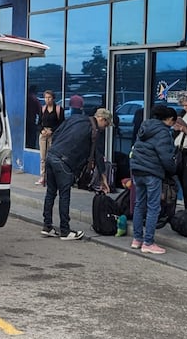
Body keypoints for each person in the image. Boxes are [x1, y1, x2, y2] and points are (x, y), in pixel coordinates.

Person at [41, 107, 113, 240]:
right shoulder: (95, 131)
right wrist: (104, 179)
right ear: (102, 119)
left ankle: (47, 226)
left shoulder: (75, 118)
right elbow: (98, 156)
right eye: (107, 124)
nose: (106, 127)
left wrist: (54, 151)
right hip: (65, 162)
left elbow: (56, 134)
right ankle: (65, 230)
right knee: (64, 195)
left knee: (50, 192)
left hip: (52, 155)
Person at [129, 105, 178, 254]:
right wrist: (173, 170)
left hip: (137, 169)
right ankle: (148, 242)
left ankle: (137, 239)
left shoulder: (145, 127)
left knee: (139, 204)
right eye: (173, 122)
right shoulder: (163, 132)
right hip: (152, 172)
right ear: (169, 119)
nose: (173, 125)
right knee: (153, 207)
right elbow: (166, 156)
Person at [36, 90, 65, 186]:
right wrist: (42, 130)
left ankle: (52, 177)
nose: (47, 100)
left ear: (53, 98)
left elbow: (61, 124)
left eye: (49, 98)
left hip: (53, 135)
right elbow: (39, 123)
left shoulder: (58, 109)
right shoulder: (42, 109)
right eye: (45, 98)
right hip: (43, 135)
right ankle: (42, 177)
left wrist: (52, 130)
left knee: (52, 157)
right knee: (43, 157)